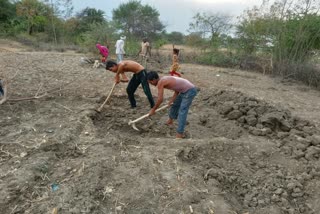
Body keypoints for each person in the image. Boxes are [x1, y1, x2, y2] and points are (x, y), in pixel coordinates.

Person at [147, 71, 197, 139]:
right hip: (184, 90)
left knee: (182, 111)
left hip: (190, 91)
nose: (151, 84)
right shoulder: (164, 79)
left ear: (154, 79)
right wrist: (172, 100)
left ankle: (180, 134)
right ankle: (170, 121)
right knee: (175, 104)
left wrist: (153, 109)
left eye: (150, 82)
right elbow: (177, 88)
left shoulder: (161, 82)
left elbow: (160, 99)